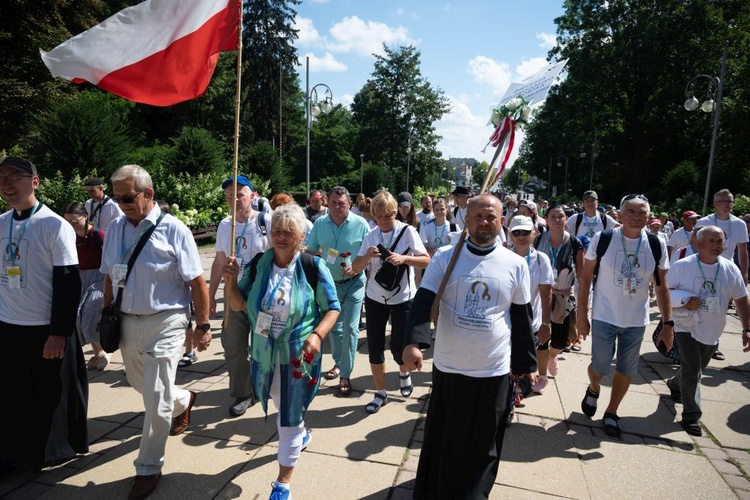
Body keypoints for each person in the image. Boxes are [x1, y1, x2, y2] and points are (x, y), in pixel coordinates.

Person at [402, 194, 537, 499]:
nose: (485, 222)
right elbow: (423, 302)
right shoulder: (445, 258)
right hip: (450, 366)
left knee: (484, 442)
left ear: (501, 221)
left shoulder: (515, 265)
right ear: (466, 220)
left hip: (493, 370)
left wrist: (525, 367)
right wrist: (413, 343)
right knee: (443, 436)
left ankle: (474, 493)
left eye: (491, 217)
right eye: (478, 216)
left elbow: (521, 316)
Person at [100, 164, 210, 499]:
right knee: (141, 385)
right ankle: (184, 399)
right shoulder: (116, 228)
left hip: (167, 321)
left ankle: (148, 467)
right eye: (117, 198)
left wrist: (202, 326)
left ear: (149, 193)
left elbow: (197, 282)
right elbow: (108, 275)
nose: (122, 203)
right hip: (128, 321)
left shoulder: (175, 230)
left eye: (129, 197)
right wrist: (106, 313)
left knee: (156, 398)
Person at [222, 203, 340, 500]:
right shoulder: (259, 264)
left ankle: (283, 483)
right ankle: (302, 432)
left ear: (301, 235)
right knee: (279, 401)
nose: (282, 236)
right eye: (277, 230)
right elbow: (237, 305)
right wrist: (229, 281)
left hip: (298, 356)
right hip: (263, 354)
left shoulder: (313, 266)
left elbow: (333, 308)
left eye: (289, 231)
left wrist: (316, 335)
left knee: (287, 416)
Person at [0, 156, 87, 473]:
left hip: (44, 328)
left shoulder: (54, 225)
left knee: (49, 396)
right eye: (2, 179)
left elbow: (68, 282)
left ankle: (50, 452)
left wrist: (58, 332)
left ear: (35, 181)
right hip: (9, 325)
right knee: (13, 394)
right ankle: (15, 450)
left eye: (14, 177)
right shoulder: (1, 222)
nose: (6, 185)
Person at [577, 194, 673, 438]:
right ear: (619, 215)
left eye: (642, 212)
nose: (637, 216)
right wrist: (581, 315)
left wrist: (668, 323)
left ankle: (611, 412)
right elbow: (586, 278)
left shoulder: (656, 243)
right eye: (631, 211)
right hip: (604, 315)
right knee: (599, 366)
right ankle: (594, 386)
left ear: (649, 216)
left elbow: (661, 287)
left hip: (635, 320)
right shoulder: (604, 239)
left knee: (627, 369)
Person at [346, 191, 430, 414]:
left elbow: (425, 260)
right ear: (373, 215)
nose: (384, 220)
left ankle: (403, 373)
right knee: (374, 346)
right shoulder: (371, 235)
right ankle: (380, 392)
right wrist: (367, 258)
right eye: (379, 216)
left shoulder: (408, 231)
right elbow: (355, 268)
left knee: (399, 346)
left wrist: (404, 258)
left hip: (403, 298)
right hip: (375, 297)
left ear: (396, 213)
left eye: (389, 215)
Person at [666, 226, 750, 436]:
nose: (716, 245)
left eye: (720, 241)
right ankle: (692, 416)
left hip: (713, 330)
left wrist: (747, 328)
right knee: (694, 371)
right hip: (686, 325)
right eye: (711, 241)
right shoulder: (682, 266)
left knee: (693, 369)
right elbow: (664, 293)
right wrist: (684, 301)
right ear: (698, 244)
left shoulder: (730, 269)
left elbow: (741, 299)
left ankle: (675, 384)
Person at [209, 175, 272, 417]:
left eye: (239, 195)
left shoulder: (266, 222)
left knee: (262, 344)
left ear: (252, 196)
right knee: (233, 344)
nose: (233, 199)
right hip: (233, 291)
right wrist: (211, 294)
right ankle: (243, 393)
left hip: (262, 295)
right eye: (228, 197)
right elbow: (219, 260)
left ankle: (264, 385)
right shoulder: (226, 225)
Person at [306, 186, 369, 397]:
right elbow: (312, 251)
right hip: (329, 285)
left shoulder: (361, 224)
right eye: (332, 203)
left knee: (351, 328)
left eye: (341, 203)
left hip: (354, 284)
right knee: (334, 329)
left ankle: (346, 375)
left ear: (349, 204)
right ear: (327, 203)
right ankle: (339, 363)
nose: (336, 207)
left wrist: (359, 266)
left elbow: (370, 252)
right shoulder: (319, 224)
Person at [696, 189, 749, 361]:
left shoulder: (739, 224)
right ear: (715, 204)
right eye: (724, 201)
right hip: (703, 270)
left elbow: (742, 252)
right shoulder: (704, 222)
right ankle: (694, 341)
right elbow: (694, 246)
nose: (728, 204)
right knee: (699, 306)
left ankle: (713, 345)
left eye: (730, 201)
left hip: (725, 272)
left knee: (720, 310)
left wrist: (744, 274)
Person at [533, 204, 584, 381]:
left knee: (561, 341)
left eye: (560, 216)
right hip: (541, 295)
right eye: (553, 216)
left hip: (563, 295)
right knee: (541, 337)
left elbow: (582, 274)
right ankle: (541, 374)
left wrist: (583, 303)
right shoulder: (538, 240)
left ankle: (552, 356)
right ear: (546, 219)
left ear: (566, 220)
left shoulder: (574, 243)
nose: (557, 219)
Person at [508, 216, 554, 393]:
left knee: (527, 358)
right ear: (510, 235)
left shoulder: (541, 259)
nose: (521, 236)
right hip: (506, 320)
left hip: (530, 322)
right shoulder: (502, 256)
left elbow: (546, 293)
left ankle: (523, 385)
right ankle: (513, 392)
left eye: (526, 232)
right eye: (516, 232)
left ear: (534, 233)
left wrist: (546, 323)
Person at [63, 202, 108, 371]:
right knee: (76, 318)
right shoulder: (68, 236)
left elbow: (112, 258)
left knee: (88, 315)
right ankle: (98, 353)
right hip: (80, 277)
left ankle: (103, 352)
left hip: (100, 278)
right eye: (67, 222)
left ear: (86, 217)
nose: (72, 226)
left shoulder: (99, 234)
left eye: (75, 222)